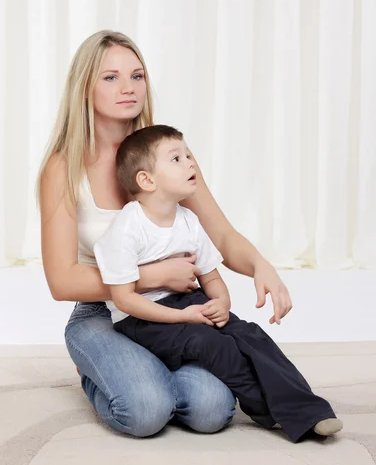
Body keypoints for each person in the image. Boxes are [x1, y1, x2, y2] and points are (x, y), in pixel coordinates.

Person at [38, 29, 295, 438]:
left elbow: (222, 235)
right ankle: (97, 368)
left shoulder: (168, 154)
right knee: (145, 412)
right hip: (102, 311)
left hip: (173, 308)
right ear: (84, 88)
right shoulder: (63, 168)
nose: (128, 88)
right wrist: (154, 276)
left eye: (137, 76)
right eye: (111, 77)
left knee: (213, 411)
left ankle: (142, 367)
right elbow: (62, 280)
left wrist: (261, 266)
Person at [93, 124, 343, 443]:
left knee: (249, 335)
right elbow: (125, 300)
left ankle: (310, 411)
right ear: (146, 179)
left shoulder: (189, 221)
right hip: (140, 318)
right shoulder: (128, 226)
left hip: (187, 301)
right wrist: (184, 317)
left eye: (188, 155)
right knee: (212, 344)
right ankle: (270, 410)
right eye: (176, 159)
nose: (190, 162)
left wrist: (221, 304)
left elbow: (210, 277)